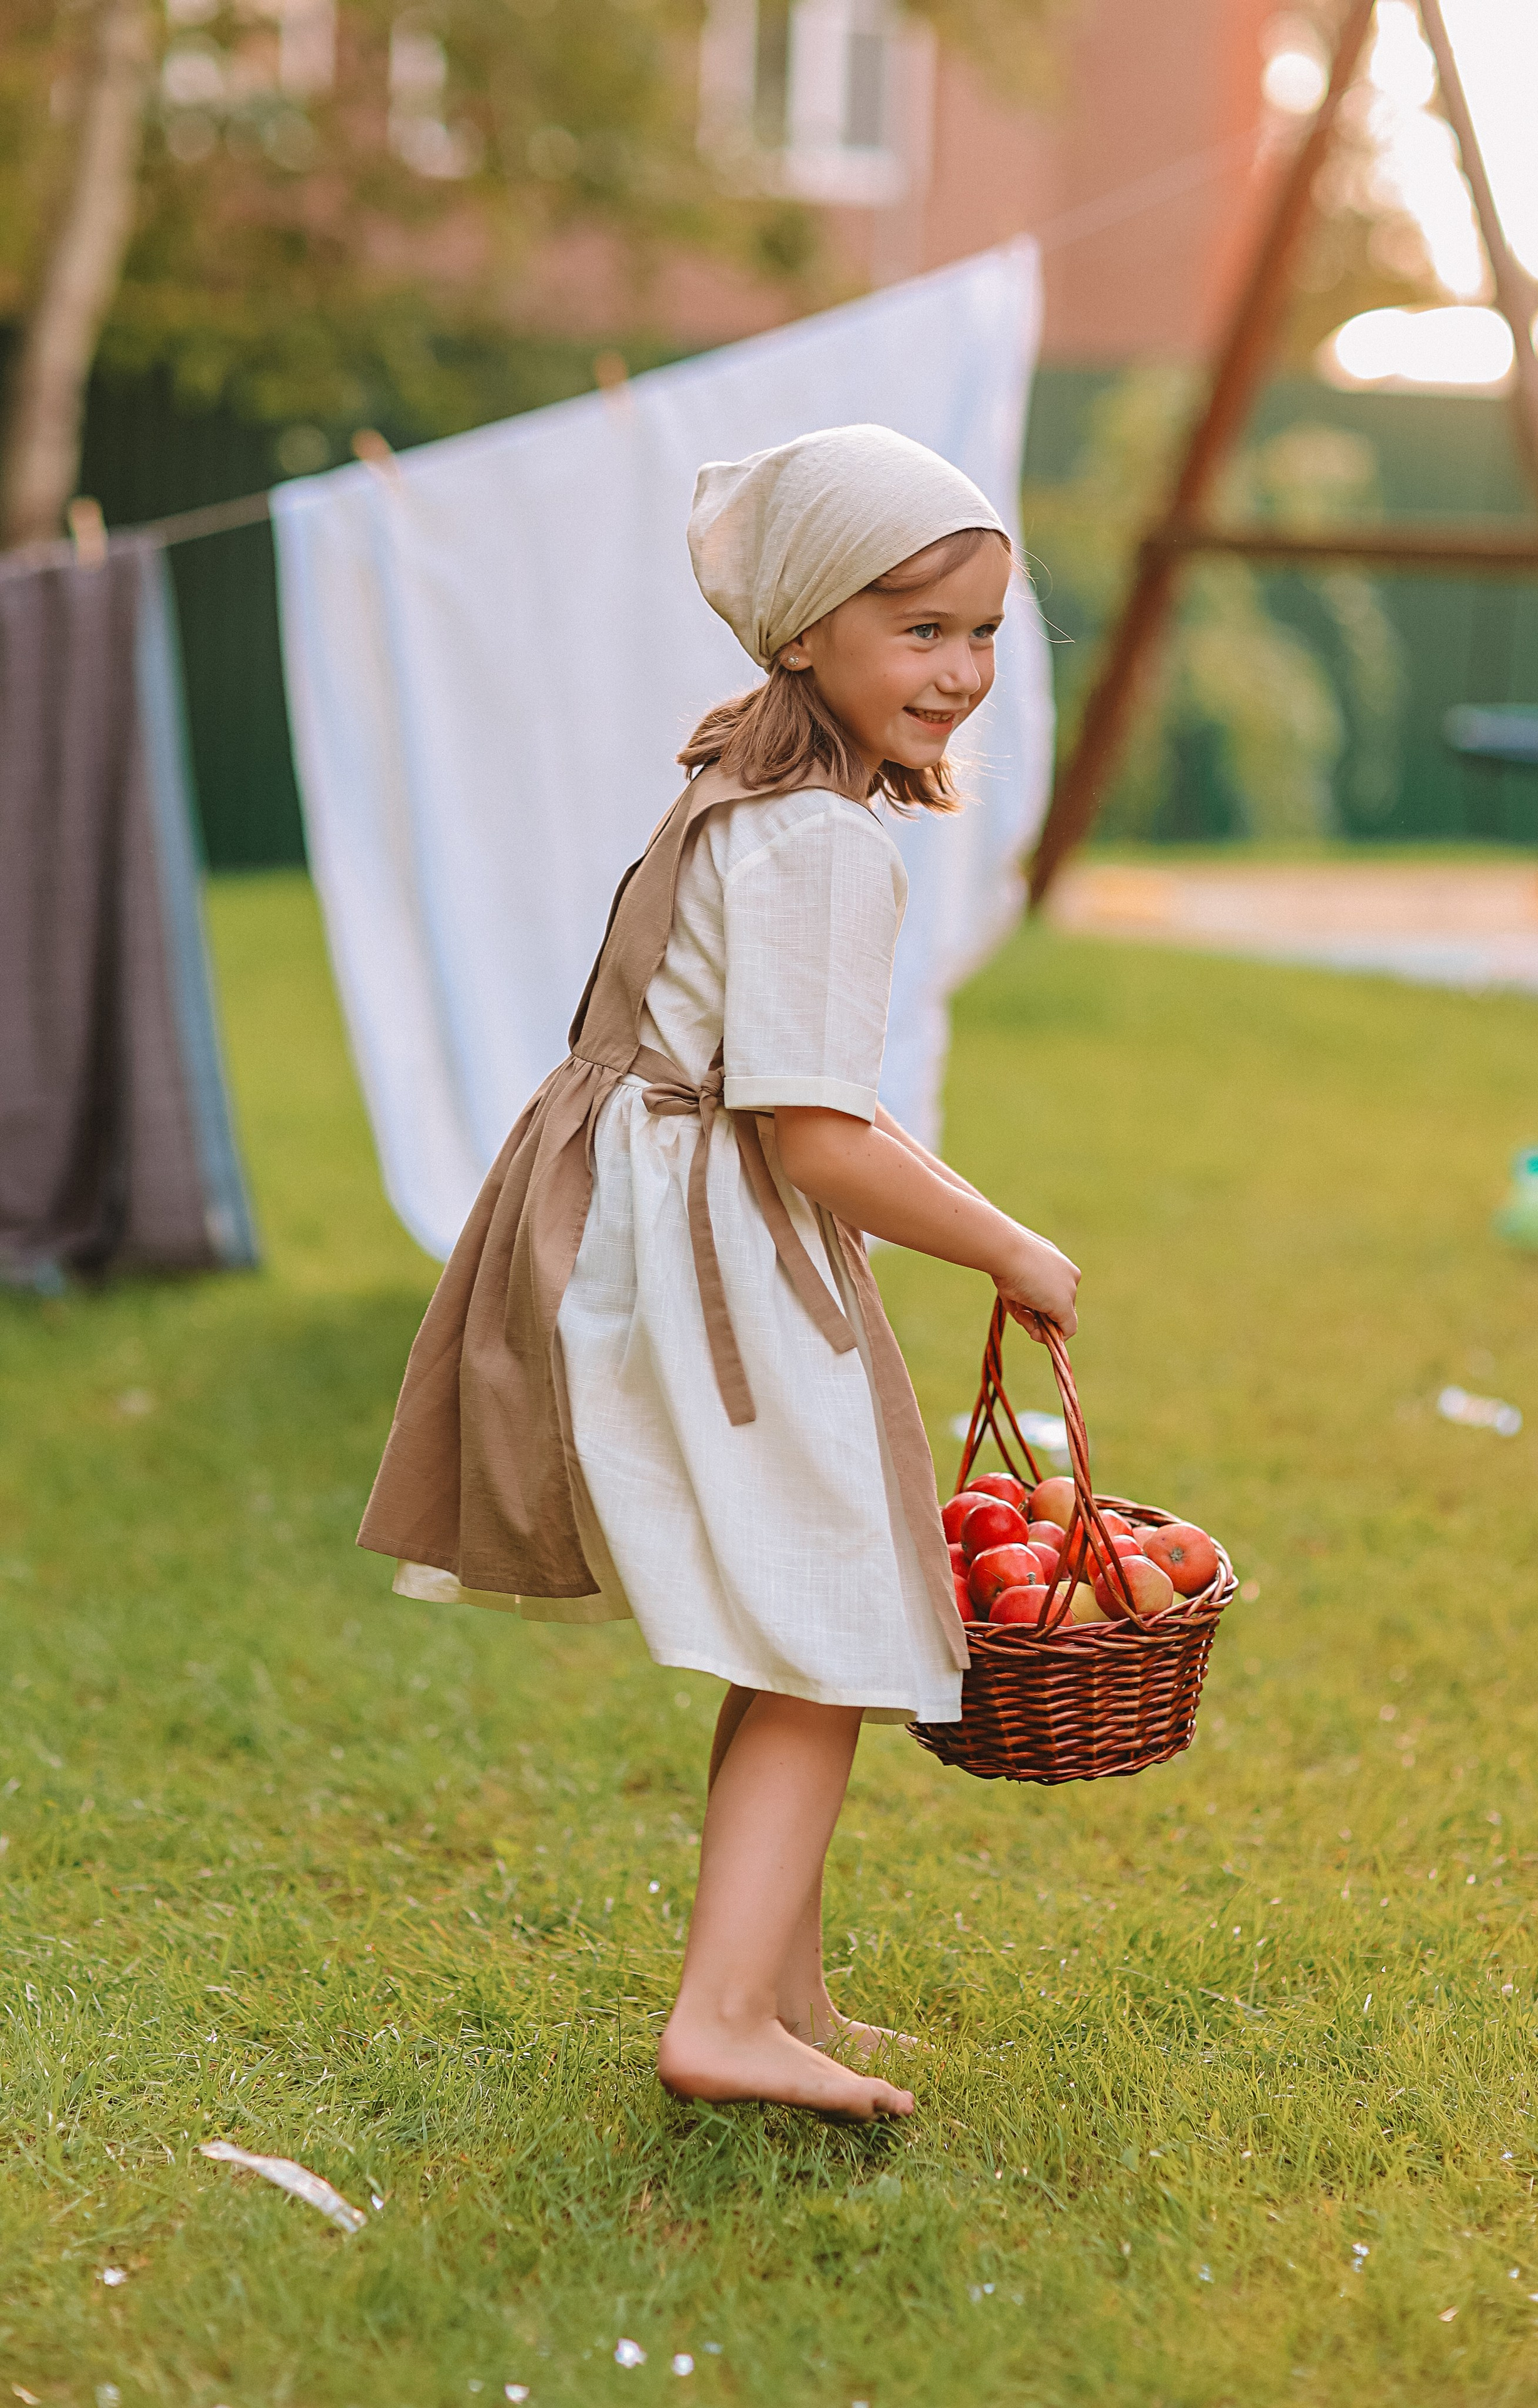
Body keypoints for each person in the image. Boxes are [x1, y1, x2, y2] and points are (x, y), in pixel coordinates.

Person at [359, 426, 1080, 2121]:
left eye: (983, 631)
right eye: (922, 630)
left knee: (799, 1611)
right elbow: (817, 1132)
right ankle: (724, 2020)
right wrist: (1010, 1244)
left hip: (644, 1213)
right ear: (811, 629)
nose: (962, 671)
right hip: (714, 1246)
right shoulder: (825, 839)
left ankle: (781, 1991)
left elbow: (801, 1092)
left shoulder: (746, 788)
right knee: (831, 1623)